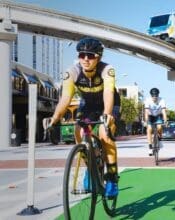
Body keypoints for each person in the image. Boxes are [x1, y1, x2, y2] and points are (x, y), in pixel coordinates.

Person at [48, 37, 120, 197]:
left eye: (91, 55)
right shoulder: (72, 72)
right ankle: (91, 168)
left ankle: (113, 178)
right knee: (79, 133)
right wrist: (55, 118)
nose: (86, 59)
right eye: (82, 55)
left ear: (99, 57)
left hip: (109, 103)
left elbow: (108, 92)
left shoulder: (107, 70)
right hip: (87, 105)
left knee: (105, 134)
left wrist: (107, 115)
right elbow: (65, 98)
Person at [144, 87, 167, 156]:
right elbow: (146, 112)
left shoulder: (162, 100)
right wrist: (146, 121)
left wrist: (165, 120)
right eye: (153, 96)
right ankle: (150, 147)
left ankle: (159, 140)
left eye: (156, 96)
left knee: (159, 127)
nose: (155, 98)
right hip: (150, 116)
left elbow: (163, 111)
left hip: (158, 116)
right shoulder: (147, 100)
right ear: (151, 96)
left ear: (158, 95)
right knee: (149, 129)